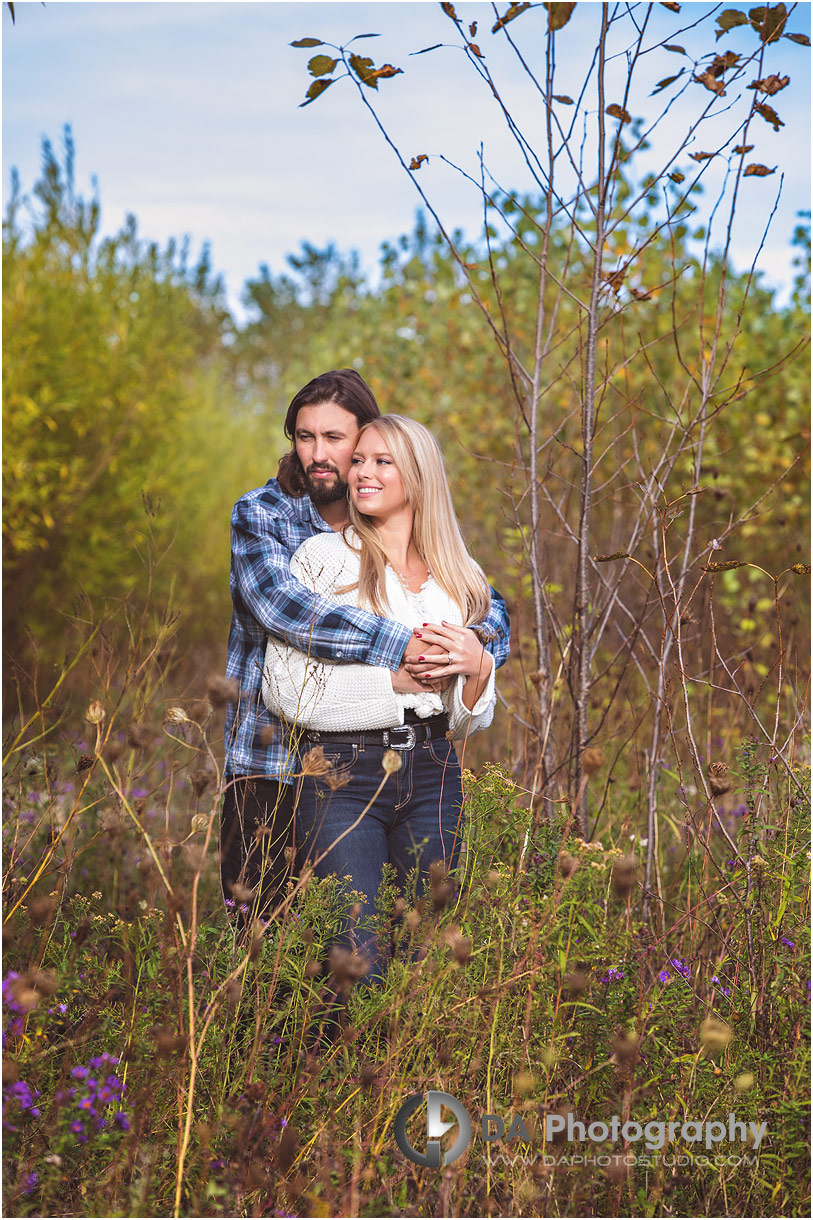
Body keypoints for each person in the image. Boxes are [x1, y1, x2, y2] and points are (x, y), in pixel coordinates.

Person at [222, 370, 510, 921]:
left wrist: (474, 649)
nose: (318, 454)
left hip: (403, 763)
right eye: (304, 438)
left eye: (336, 439)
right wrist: (410, 652)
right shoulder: (266, 515)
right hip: (267, 760)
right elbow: (289, 611)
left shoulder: (414, 541)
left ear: (369, 438)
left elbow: (486, 609)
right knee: (266, 940)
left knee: (397, 943)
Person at [262, 415, 498, 980]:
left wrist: (479, 668)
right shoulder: (322, 560)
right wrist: (391, 682)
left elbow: (466, 721)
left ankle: (411, 1072)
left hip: (433, 774)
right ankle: (343, 1067)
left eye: (380, 462)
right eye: (359, 460)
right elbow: (285, 690)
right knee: (356, 959)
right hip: (342, 776)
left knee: (428, 957)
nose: (361, 473)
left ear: (418, 476)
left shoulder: (461, 576)